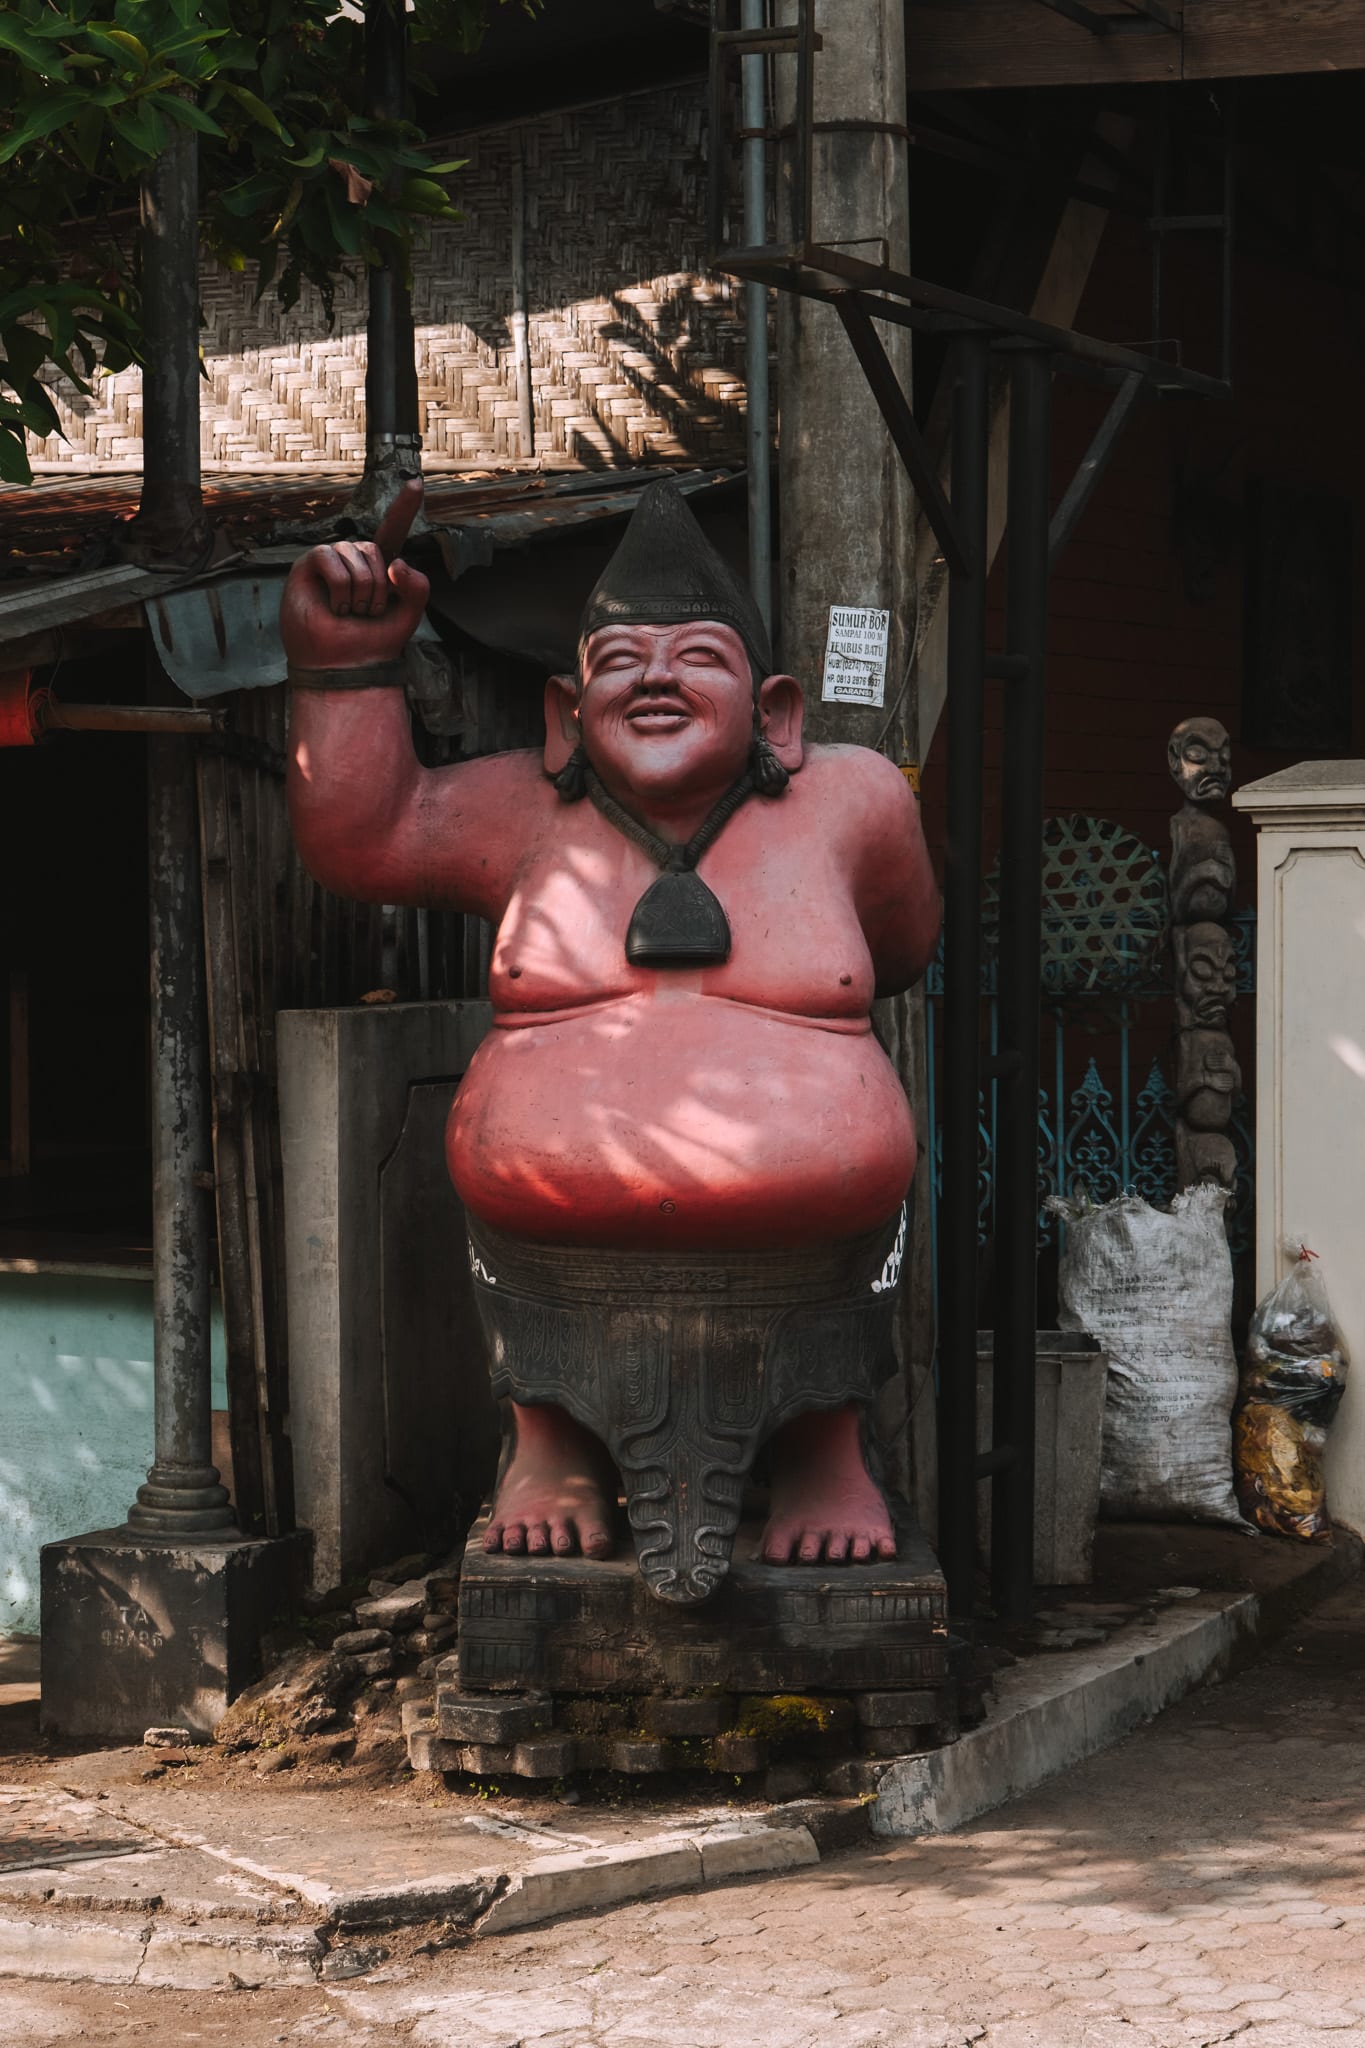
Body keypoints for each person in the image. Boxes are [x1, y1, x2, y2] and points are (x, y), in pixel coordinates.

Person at [283, 479, 941, 1602]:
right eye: (621, 660)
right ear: (563, 714)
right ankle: (552, 1441)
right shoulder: (518, 813)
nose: (655, 678)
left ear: (776, 711)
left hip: (817, 1244)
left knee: (861, 1207)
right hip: (549, 1244)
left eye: (696, 655)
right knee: (516, 1253)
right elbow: (364, 839)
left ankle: (822, 1448)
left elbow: (906, 942)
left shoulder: (855, 804)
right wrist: (342, 666)